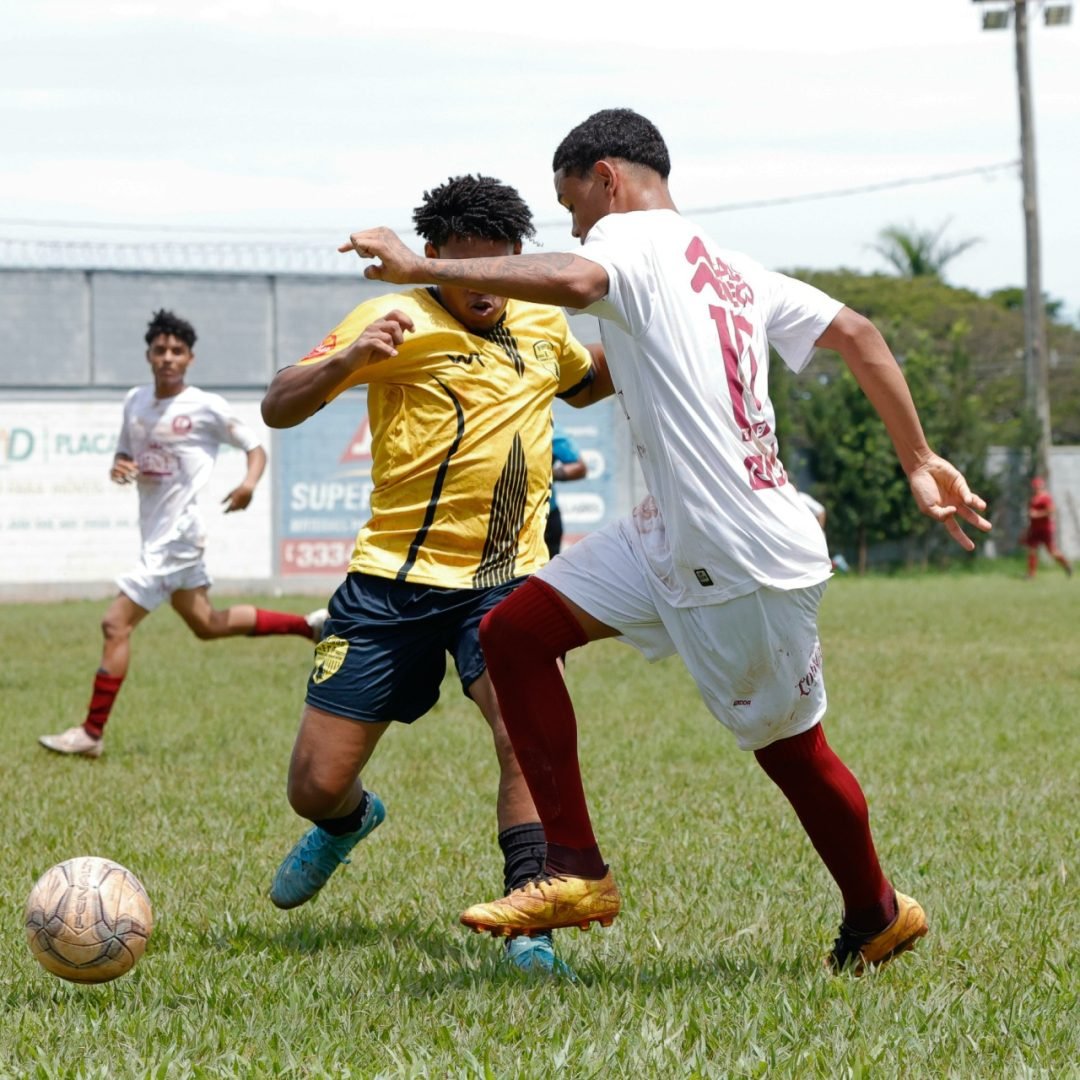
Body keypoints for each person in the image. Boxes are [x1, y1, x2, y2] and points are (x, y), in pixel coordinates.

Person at [341, 109, 992, 975]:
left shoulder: (629, 241)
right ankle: (576, 870)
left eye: (572, 204)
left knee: (793, 752)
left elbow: (576, 282)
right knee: (515, 635)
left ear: (607, 178)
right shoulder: (729, 267)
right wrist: (916, 459)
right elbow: (861, 336)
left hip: (736, 550)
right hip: (669, 534)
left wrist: (423, 264)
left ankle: (876, 914)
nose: (574, 229)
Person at [260, 175, 609, 974]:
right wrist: (348, 358)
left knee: (520, 736)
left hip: (508, 581)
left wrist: (673, 342)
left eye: (500, 267)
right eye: (465, 267)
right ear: (435, 258)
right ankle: (348, 823)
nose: (483, 286)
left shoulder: (540, 324)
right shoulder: (396, 318)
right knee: (314, 786)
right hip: (390, 584)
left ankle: (531, 920)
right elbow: (279, 405)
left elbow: (585, 381)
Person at [39, 309, 327, 760]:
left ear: (190, 358)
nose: (168, 358)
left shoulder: (205, 406)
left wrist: (249, 483)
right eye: (160, 350)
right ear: (149, 355)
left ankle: (91, 734)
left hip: (180, 538)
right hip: (155, 537)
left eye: (177, 351)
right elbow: (123, 454)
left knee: (115, 623)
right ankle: (309, 626)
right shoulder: (135, 402)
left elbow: (254, 447)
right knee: (206, 625)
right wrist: (119, 465)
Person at [545, 425, 588, 559]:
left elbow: (580, 467)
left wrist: (544, 475)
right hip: (502, 518)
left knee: (546, 575)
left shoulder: (550, 431)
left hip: (546, 517)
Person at [1024, 476, 1072, 579]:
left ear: (1042, 487)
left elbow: (1051, 510)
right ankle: (1031, 574)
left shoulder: (1045, 497)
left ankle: (1066, 564)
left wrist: (1037, 514)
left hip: (1045, 529)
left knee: (1052, 552)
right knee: (1032, 551)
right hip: (1034, 529)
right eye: (1034, 487)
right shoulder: (1033, 498)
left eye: (1038, 487)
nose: (1036, 488)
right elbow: (1031, 515)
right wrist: (1027, 529)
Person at [796, 488, 849, 573]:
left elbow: (821, 511)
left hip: (811, 537)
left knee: (817, 563)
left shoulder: (802, 498)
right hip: (800, 537)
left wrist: (819, 531)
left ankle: (837, 562)